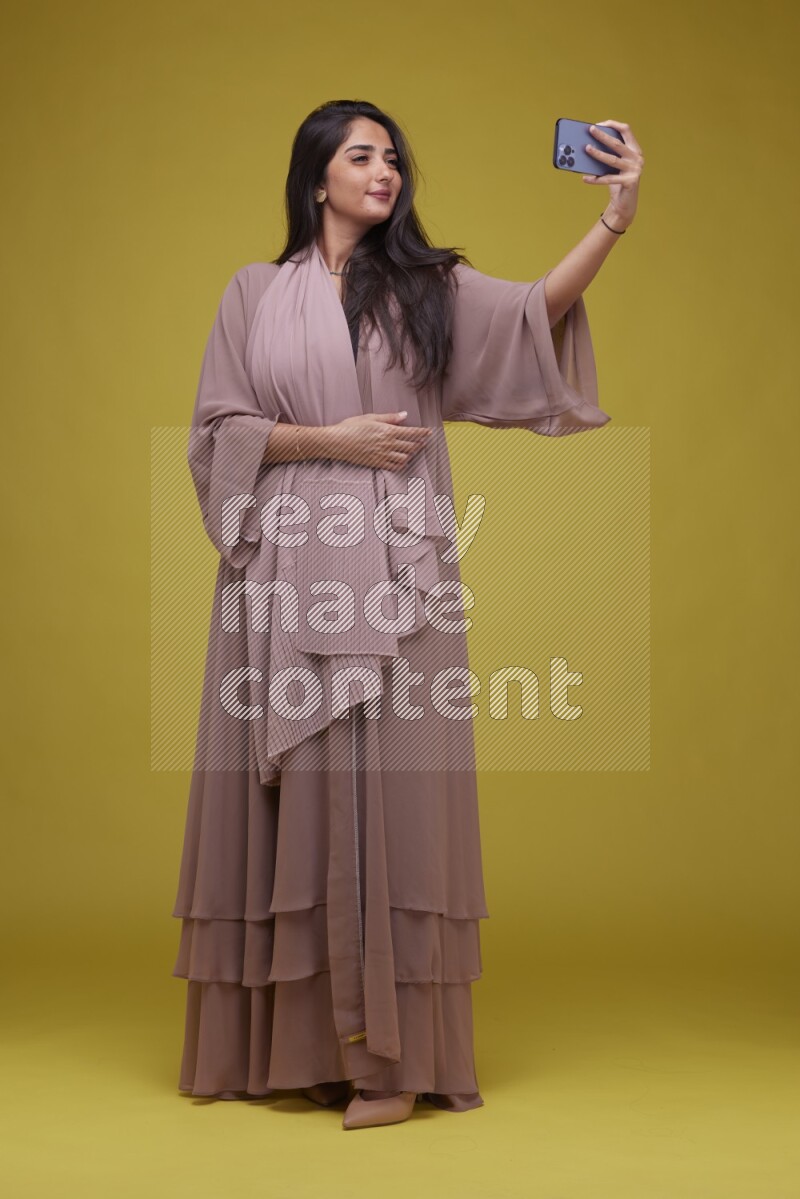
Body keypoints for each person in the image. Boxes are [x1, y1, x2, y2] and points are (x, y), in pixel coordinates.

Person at [170, 99, 643, 1131]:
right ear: (315, 177)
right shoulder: (253, 293)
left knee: (397, 802)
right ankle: (297, 1050)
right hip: (283, 574)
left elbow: (533, 316)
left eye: (392, 156)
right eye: (361, 155)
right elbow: (219, 433)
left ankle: (391, 1059)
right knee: (293, 805)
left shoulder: (423, 289)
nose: (384, 170)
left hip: (397, 574)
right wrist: (329, 438)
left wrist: (612, 217)